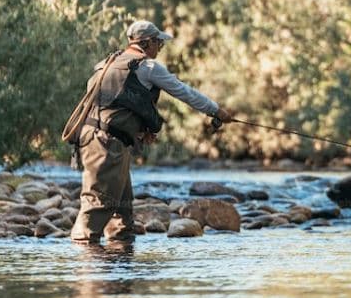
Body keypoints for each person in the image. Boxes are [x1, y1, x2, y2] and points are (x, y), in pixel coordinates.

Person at [70, 20, 233, 246]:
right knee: (97, 203)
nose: (160, 48)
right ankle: (83, 268)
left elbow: (114, 104)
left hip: (98, 139)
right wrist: (216, 110)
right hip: (107, 143)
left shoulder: (105, 64)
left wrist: (138, 129)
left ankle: (120, 272)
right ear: (146, 43)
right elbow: (183, 91)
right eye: (158, 43)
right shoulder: (147, 67)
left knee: (122, 210)